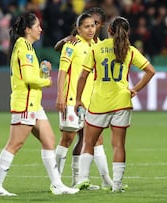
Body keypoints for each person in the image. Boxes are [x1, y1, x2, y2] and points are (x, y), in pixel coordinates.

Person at [0, 12, 79, 196]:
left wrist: (42, 71)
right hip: (25, 104)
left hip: (34, 105)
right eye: (37, 26)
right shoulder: (24, 48)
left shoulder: (26, 46)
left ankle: (57, 185)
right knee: (15, 144)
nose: (41, 29)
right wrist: (47, 80)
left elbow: (29, 75)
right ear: (28, 30)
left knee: (49, 140)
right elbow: (29, 79)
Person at [73, 16, 155, 192]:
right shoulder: (129, 50)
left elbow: (82, 77)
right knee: (118, 144)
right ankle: (117, 185)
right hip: (121, 102)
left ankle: (83, 179)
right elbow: (150, 71)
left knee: (89, 141)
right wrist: (135, 90)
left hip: (99, 103)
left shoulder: (96, 49)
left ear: (109, 30)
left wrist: (79, 99)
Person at [55, 10, 113, 190]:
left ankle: (82, 180)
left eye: (93, 26)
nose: (91, 29)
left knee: (96, 140)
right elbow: (62, 71)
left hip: (90, 102)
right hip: (72, 99)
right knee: (67, 139)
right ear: (78, 29)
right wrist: (60, 96)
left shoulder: (96, 45)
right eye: (86, 26)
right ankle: (56, 181)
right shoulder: (72, 45)